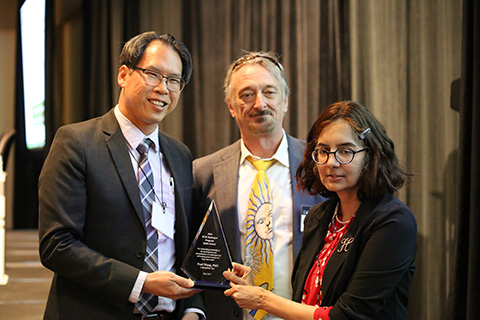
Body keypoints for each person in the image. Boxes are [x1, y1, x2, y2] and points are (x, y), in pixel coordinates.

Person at [38, 31, 204, 320]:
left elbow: (185, 246)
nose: (163, 88)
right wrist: (141, 283)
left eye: (174, 80)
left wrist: (192, 308)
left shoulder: (180, 154)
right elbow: (57, 245)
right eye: (153, 74)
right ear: (123, 75)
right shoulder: (76, 143)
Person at [223, 100, 417, 320]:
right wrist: (252, 291)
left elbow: (348, 315)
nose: (330, 162)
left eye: (345, 151)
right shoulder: (319, 216)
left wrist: (263, 299)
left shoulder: (392, 221)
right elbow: (305, 301)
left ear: (371, 155)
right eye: (323, 151)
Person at [192, 51, 325, 320]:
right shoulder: (202, 173)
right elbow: (192, 258)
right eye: (246, 95)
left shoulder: (319, 166)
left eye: (269, 92)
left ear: (285, 101)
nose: (259, 104)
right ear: (230, 106)